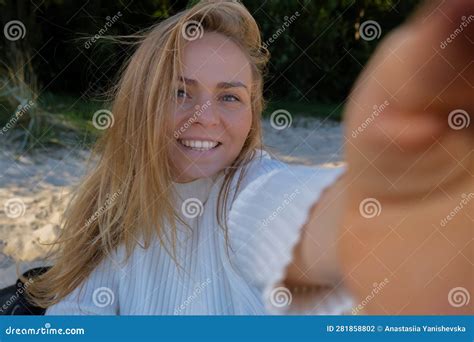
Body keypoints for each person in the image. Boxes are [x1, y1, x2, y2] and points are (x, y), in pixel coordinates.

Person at [24, 0, 472, 315]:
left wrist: (398, 218)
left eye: (230, 98)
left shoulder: (248, 192)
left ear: (253, 111)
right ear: (143, 101)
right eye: (181, 92)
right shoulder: (111, 207)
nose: (205, 118)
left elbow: (298, 214)